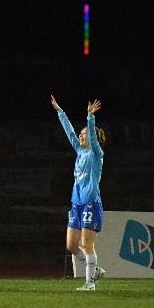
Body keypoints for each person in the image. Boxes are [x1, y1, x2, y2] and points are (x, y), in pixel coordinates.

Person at [51, 96, 107, 291]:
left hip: (91, 202)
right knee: (72, 246)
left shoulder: (96, 154)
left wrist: (90, 118)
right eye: (81, 134)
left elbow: (91, 136)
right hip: (77, 203)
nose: (81, 136)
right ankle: (96, 270)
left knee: (86, 244)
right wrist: (60, 112)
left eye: (84, 134)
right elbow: (69, 133)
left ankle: (90, 283)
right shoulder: (79, 151)